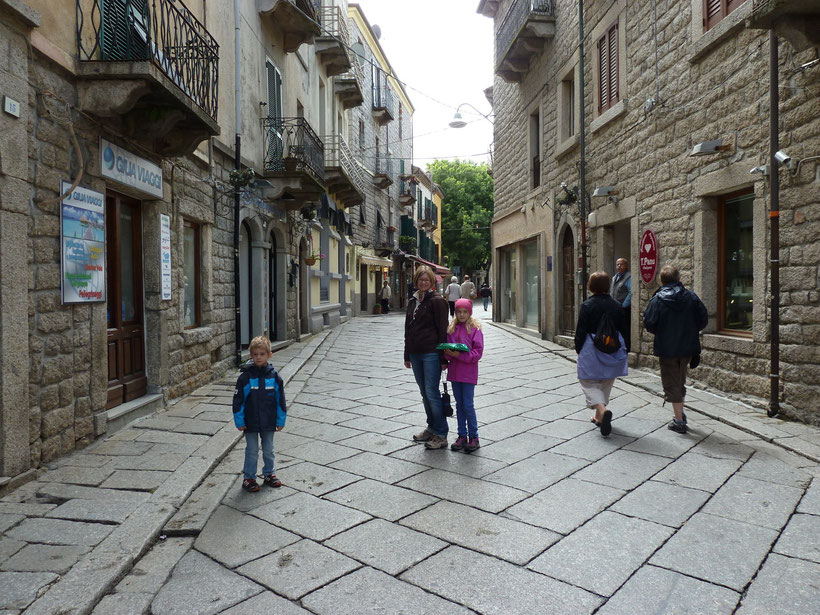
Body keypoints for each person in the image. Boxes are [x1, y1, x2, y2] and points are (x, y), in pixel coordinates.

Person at [643, 265, 708, 434]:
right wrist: (691, 329)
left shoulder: (657, 299)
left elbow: (649, 323)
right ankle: (680, 413)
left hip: (667, 347)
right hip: (687, 347)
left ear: (662, 281)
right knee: (679, 380)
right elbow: (703, 319)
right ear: (679, 279)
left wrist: (662, 331)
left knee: (672, 384)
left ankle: (679, 421)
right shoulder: (691, 297)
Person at [574, 271, 628, 437]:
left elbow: (581, 330)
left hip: (591, 347)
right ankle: (599, 417)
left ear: (591, 287)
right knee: (606, 381)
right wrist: (627, 349)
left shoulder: (587, 305)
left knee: (588, 381)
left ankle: (602, 411)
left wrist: (578, 348)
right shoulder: (617, 306)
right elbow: (625, 329)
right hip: (613, 347)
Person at [232, 336, 287, 492]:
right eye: (255, 354)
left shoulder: (275, 377)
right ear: (251, 355)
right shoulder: (245, 378)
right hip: (250, 422)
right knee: (252, 450)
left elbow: (280, 400)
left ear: (269, 355)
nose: (258, 357)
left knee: (269, 449)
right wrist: (239, 420)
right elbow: (238, 401)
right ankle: (249, 477)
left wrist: (280, 420)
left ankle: (269, 473)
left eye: (262, 354)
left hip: (269, 421)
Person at [404, 266, 450, 449]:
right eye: (420, 279)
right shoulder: (413, 301)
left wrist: (443, 357)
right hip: (415, 353)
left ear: (432, 282)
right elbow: (408, 329)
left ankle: (441, 433)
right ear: (416, 281)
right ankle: (432, 427)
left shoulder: (438, 301)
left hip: (431, 353)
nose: (423, 282)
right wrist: (407, 354)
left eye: (427, 280)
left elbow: (442, 330)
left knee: (431, 392)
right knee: (424, 393)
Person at [444, 298, 484, 452]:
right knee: (459, 405)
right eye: (459, 312)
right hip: (454, 373)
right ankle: (462, 435)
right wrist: (447, 353)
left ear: (469, 312)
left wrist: (457, 355)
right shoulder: (452, 328)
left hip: (468, 373)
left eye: (464, 312)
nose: (461, 315)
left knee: (468, 405)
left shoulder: (475, 329)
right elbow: (447, 351)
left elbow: (477, 353)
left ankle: (474, 436)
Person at [610, 258, 632, 351]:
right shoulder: (614, 277)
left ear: (626, 265)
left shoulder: (629, 277)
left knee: (625, 331)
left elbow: (631, 292)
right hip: (614, 309)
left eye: (621, 264)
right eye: (617, 264)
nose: (619, 266)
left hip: (624, 309)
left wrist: (623, 305)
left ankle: (626, 349)